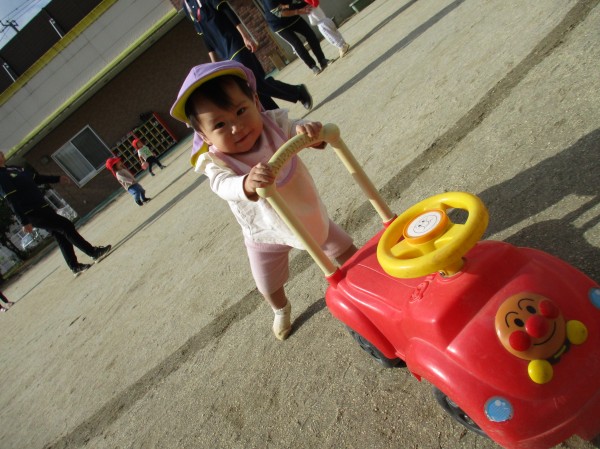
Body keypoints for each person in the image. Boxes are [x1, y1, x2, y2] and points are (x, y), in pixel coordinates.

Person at [170, 61, 357, 340]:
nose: (236, 127)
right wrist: (245, 183)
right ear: (204, 136)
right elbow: (221, 185)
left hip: (305, 215)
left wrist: (309, 132)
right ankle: (280, 308)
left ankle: (365, 273)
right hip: (265, 232)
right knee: (268, 284)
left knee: (344, 247)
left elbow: (296, 128)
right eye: (220, 125)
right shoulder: (216, 161)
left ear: (256, 102)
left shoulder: (274, 124)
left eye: (240, 111)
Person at [182, 0, 313, 111]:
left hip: (236, 43)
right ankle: (276, 118)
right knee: (252, 89)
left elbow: (228, 11)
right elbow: (205, 37)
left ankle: (297, 92)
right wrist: (214, 64)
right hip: (225, 54)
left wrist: (245, 36)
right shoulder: (186, 7)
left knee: (254, 84)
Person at [0, 151, 111, 277]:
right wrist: (24, 221)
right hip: (32, 213)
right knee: (65, 226)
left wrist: (57, 178)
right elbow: (12, 200)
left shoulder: (14, 168)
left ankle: (75, 267)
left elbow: (36, 178)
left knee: (60, 235)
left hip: (42, 207)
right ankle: (94, 252)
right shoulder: (1, 176)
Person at [261, 0, 331, 75]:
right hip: (278, 24)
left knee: (310, 34)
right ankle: (312, 66)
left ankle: (322, 60)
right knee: (296, 43)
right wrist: (299, 11)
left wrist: (307, 3)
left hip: (291, 15)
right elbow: (279, 12)